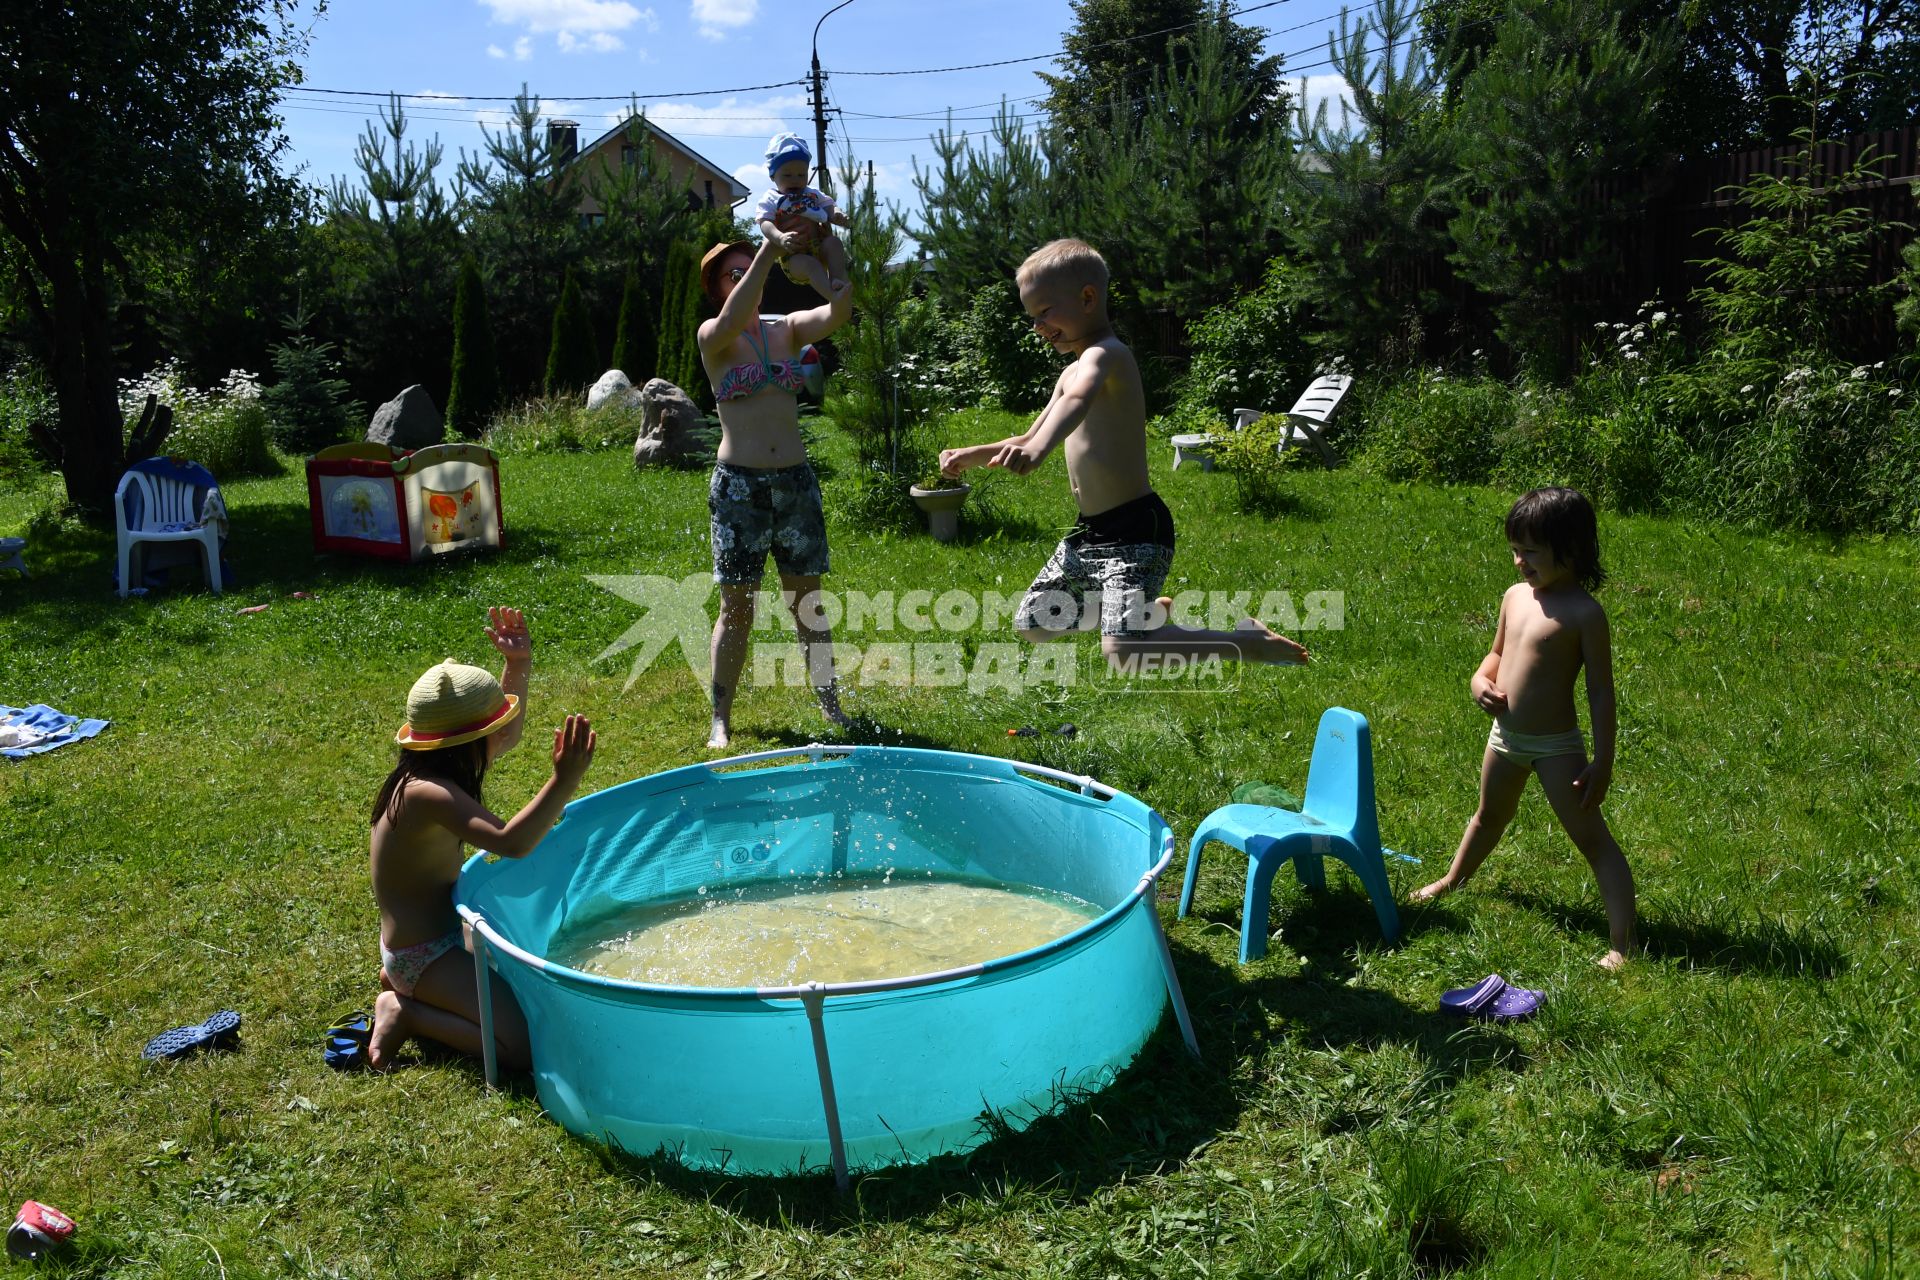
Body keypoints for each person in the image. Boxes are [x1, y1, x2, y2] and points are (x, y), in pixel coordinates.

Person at [939, 238, 1310, 670]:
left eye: (1045, 312)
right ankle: (1137, 619)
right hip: (1089, 532)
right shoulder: (1070, 370)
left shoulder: (1107, 356)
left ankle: (1246, 642)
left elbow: (1077, 404)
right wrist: (972, 454)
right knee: (1033, 623)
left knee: (1123, 654)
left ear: (1088, 298)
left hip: (1135, 529)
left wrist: (1041, 450)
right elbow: (1026, 437)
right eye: (1032, 317)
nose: (1038, 325)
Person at [1411, 487, 1638, 969]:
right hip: (1505, 738)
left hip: (1557, 748)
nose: (1519, 562)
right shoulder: (1515, 597)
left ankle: (1621, 942)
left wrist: (1604, 759)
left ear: (1571, 551)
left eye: (1530, 551)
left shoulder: (1585, 615)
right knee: (1487, 816)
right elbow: (1496, 653)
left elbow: (1601, 690)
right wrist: (1479, 680)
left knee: (1592, 840)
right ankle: (1453, 880)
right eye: (1516, 550)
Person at [368, 607, 596, 1071]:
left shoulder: (432, 770)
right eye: (490, 732)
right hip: (424, 953)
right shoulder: (427, 794)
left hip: (443, 934)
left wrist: (518, 666)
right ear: (468, 742)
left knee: (525, 971)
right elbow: (510, 842)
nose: (503, 738)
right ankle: (406, 1010)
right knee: (520, 1049)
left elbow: (503, 735)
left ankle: (415, 989)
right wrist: (564, 780)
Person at [697, 236, 854, 749]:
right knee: (736, 607)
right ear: (717, 289)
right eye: (732, 274)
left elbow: (840, 310)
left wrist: (829, 255)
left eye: (749, 271)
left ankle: (831, 707)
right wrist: (767, 250)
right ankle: (720, 717)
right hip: (739, 487)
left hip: (794, 484)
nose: (744, 280)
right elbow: (732, 313)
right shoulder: (713, 337)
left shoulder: (785, 329)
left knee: (807, 603)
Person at [754, 132, 851, 301]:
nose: (795, 180)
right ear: (773, 176)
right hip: (793, 256)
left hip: (819, 247)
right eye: (787, 175)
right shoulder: (771, 198)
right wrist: (780, 237)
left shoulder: (812, 194)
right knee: (810, 265)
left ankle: (836, 279)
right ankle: (834, 297)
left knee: (834, 243)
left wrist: (836, 215)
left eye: (801, 175)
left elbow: (828, 205)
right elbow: (764, 222)